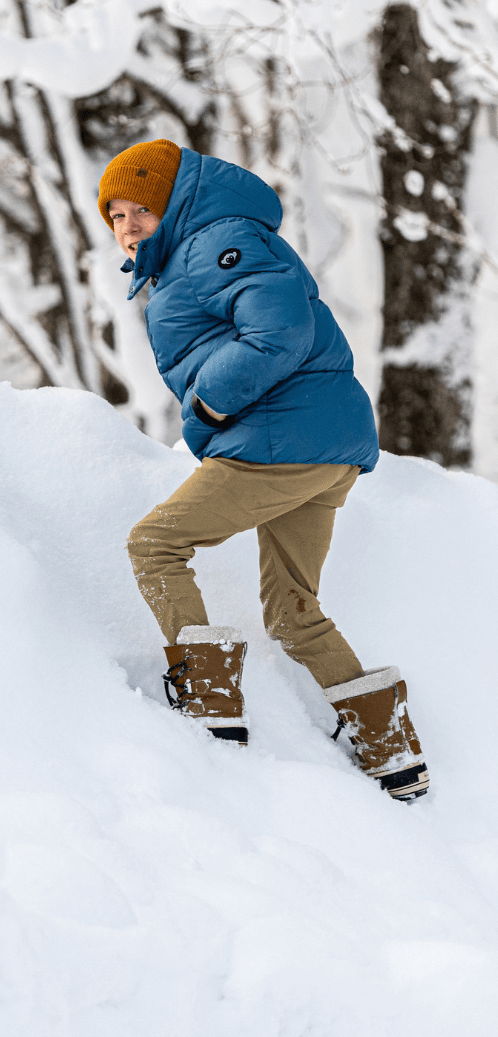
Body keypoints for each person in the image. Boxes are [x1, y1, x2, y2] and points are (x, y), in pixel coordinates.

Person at [99, 138, 429, 802]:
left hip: (281, 440)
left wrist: (211, 400)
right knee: (293, 612)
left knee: (155, 544)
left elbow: (279, 330)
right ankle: (393, 754)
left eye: (141, 208)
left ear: (173, 202)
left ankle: (209, 705)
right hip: (327, 445)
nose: (127, 226)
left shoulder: (215, 241)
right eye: (114, 215)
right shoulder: (202, 248)